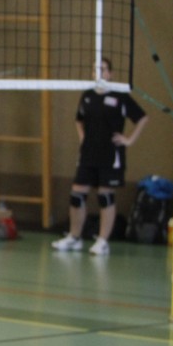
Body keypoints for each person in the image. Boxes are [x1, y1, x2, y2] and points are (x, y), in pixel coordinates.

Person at [51, 57, 148, 255]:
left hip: (111, 155)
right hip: (88, 154)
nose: (99, 73)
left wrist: (129, 140)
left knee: (105, 196)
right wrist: (82, 137)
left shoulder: (120, 95)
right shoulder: (87, 95)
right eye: (96, 69)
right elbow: (79, 120)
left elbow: (142, 117)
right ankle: (74, 237)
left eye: (103, 69)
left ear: (110, 73)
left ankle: (103, 241)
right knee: (77, 195)